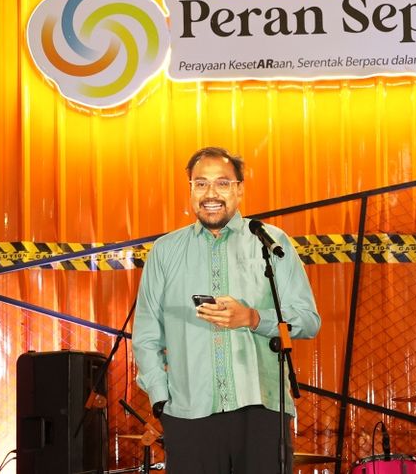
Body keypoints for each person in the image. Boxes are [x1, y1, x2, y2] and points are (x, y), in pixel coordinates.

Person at [132, 146, 320, 473]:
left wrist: (254, 318)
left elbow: (308, 320)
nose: (211, 193)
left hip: (261, 409)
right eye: (201, 184)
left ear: (239, 189)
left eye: (222, 183)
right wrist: (161, 399)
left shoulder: (270, 242)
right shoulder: (165, 252)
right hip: (188, 414)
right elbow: (146, 336)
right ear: (190, 190)